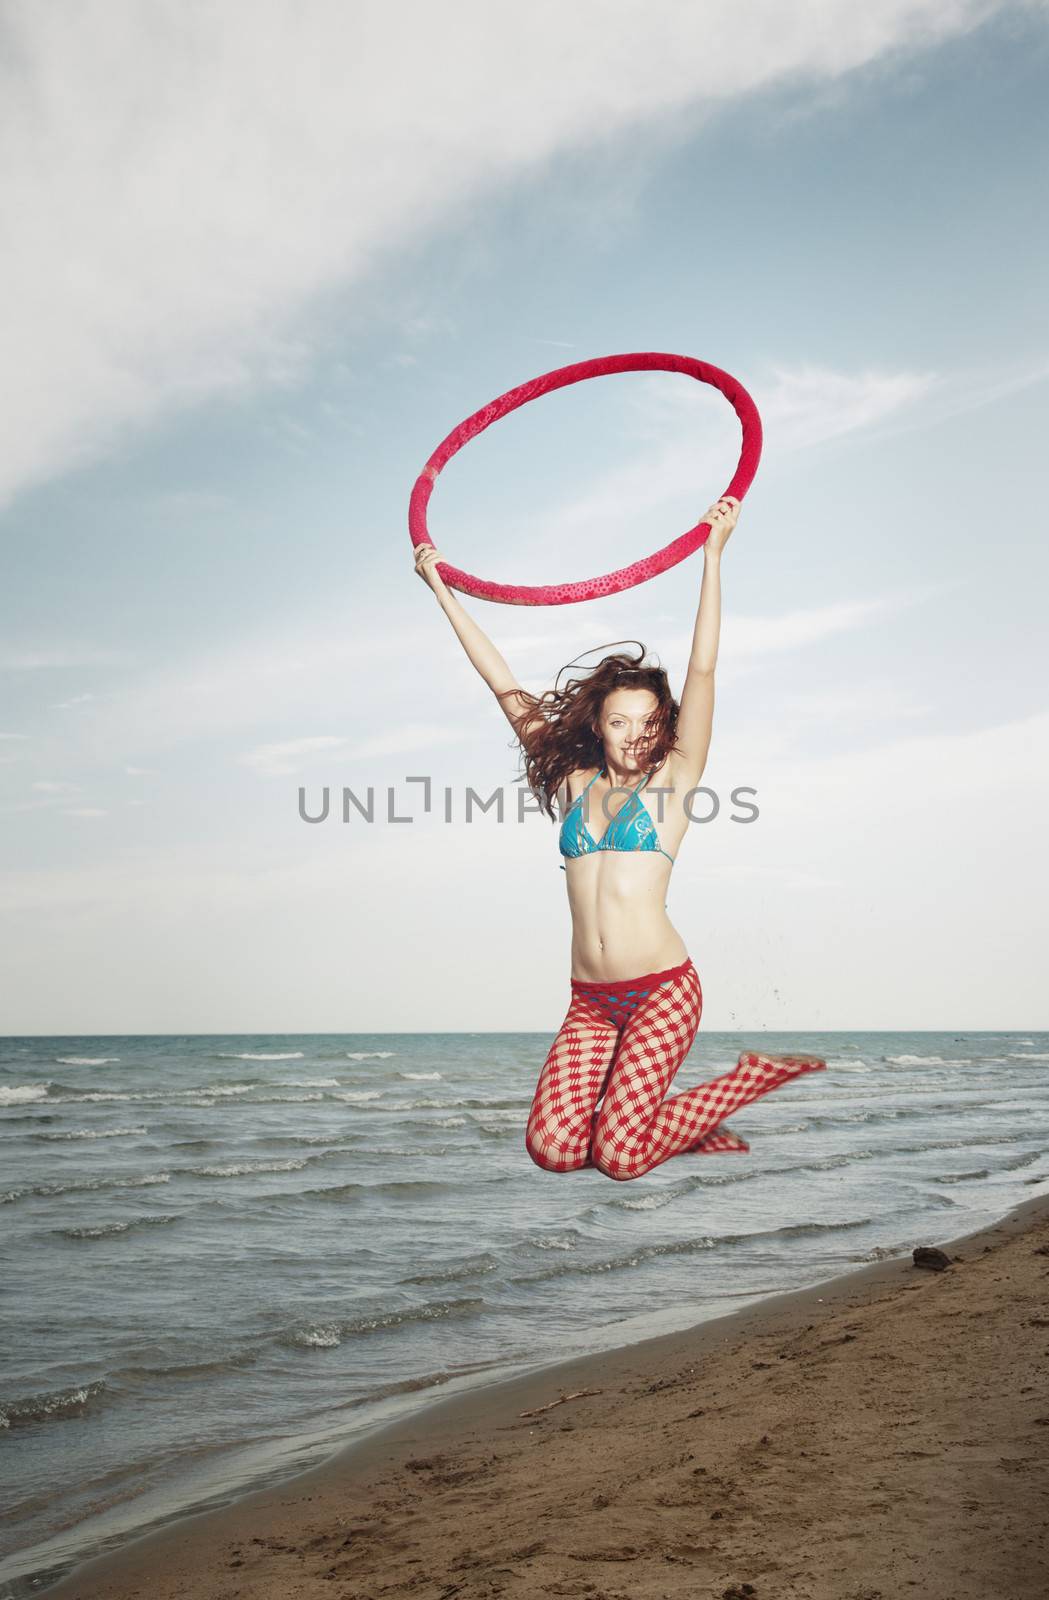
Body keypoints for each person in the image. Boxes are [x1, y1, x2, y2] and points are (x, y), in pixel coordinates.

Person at [413, 497, 825, 1181]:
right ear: (596, 726)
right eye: (617, 722)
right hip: (590, 1000)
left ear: (663, 726)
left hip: (662, 989)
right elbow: (503, 686)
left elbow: (700, 673)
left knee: (620, 1157)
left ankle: (740, 1083)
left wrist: (712, 558)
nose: (634, 735)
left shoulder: (676, 779)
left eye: (646, 721)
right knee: (553, 1149)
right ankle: (651, 1123)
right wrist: (442, 590)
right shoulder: (572, 781)